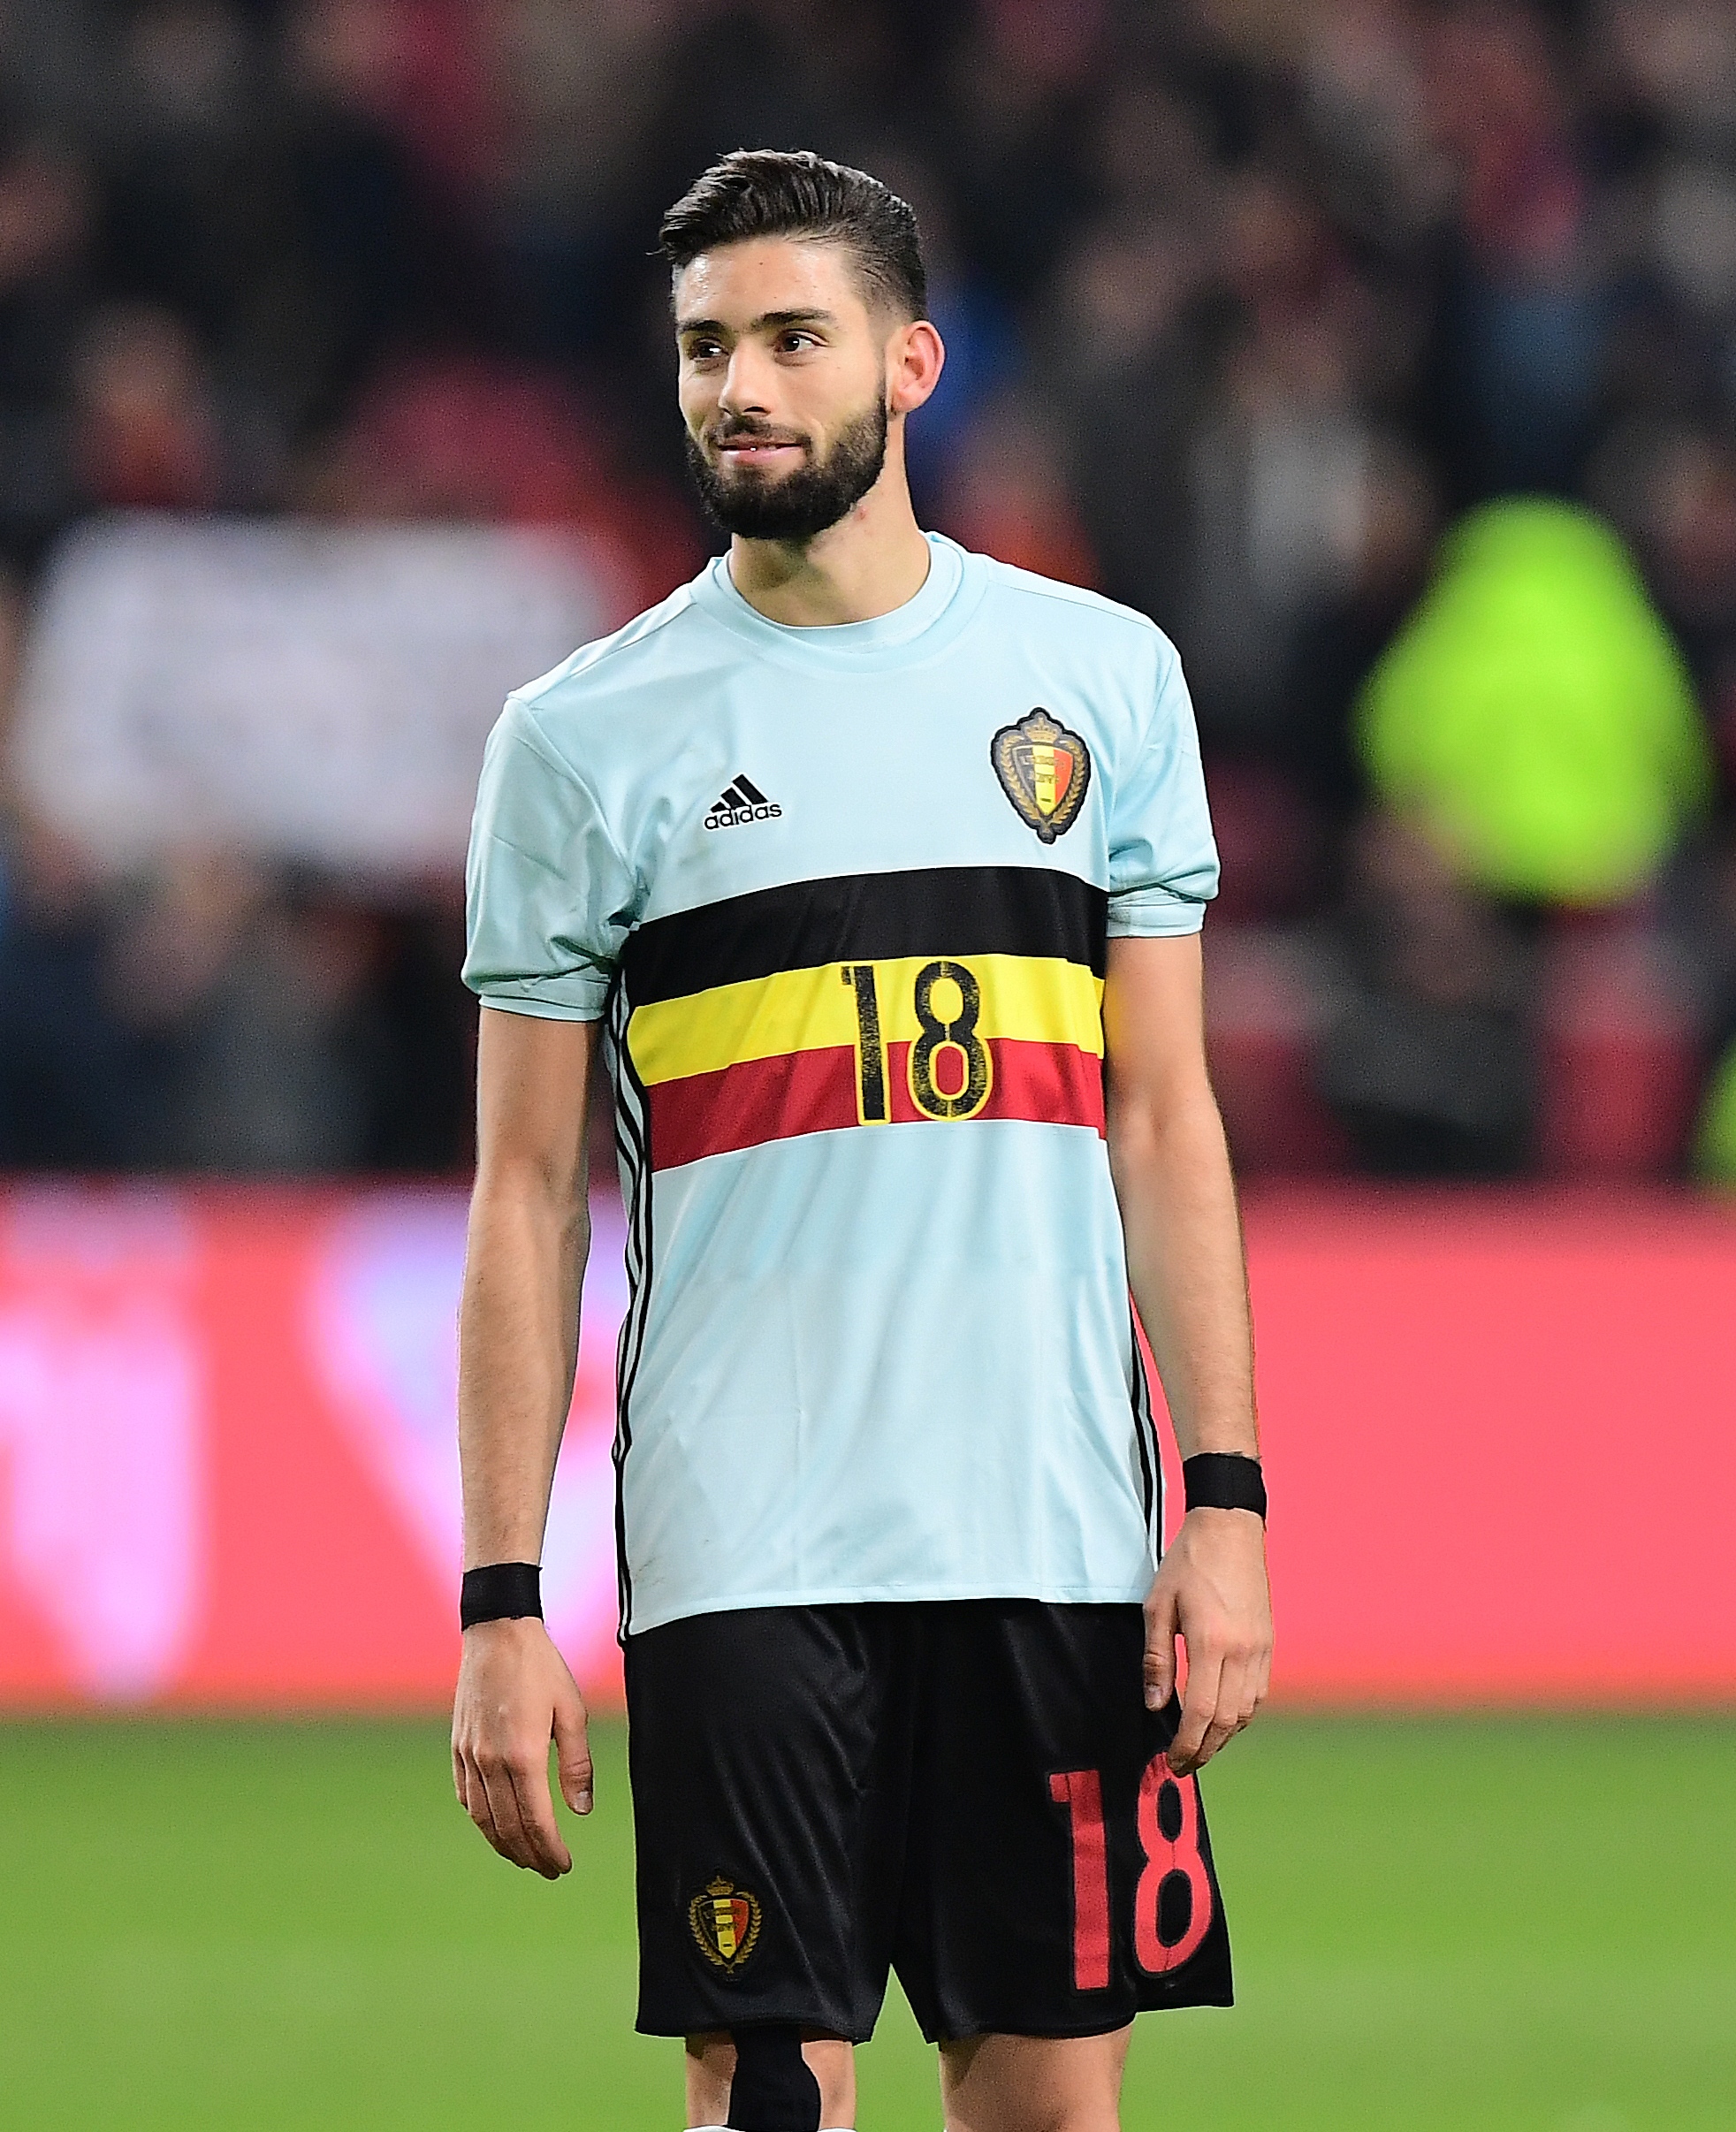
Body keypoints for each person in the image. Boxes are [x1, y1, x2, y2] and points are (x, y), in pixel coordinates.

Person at [448, 149, 1271, 2132]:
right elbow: (529, 1193)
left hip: (1054, 1531)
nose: (741, 384)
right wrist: (499, 1600)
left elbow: (1163, 1118)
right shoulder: (584, 740)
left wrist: (1226, 1504)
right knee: (769, 2108)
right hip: (748, 1541)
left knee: (1056, 2114)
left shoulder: (1098, 684)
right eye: (706, 346)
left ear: (908, 365)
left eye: (791, 339)